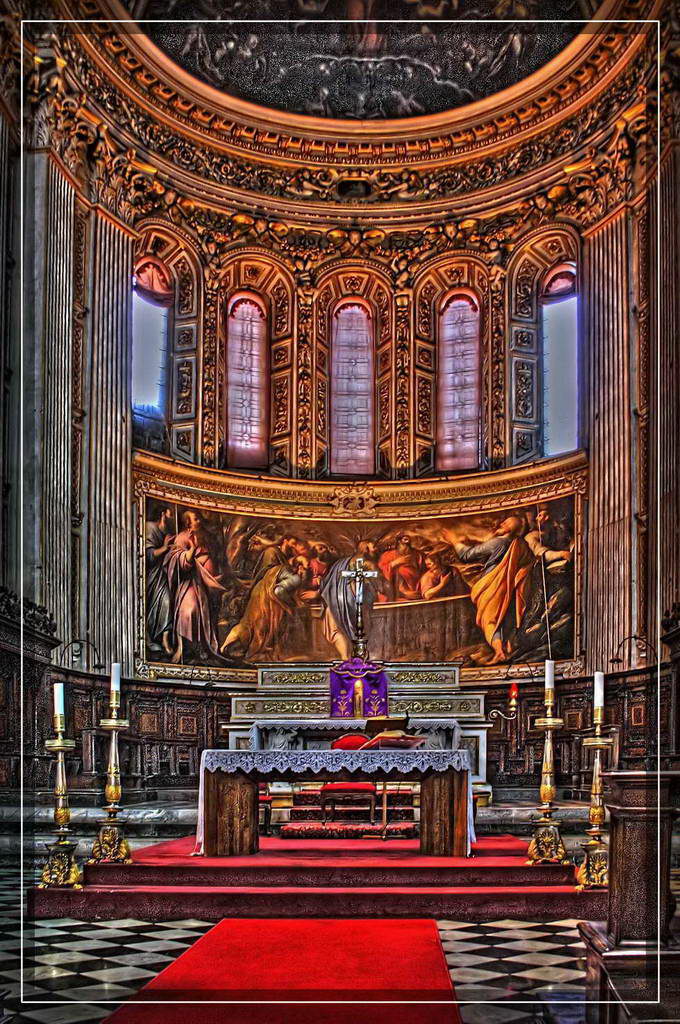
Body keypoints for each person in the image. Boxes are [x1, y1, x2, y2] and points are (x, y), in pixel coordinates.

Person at [454, 515, 534, 664]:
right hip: (512, 586)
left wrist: (455, 542)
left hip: (493, 583)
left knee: (489, 619)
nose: (502, 523)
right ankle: (507, 648)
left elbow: (467, 555)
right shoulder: (522, 545)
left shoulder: (499, 542)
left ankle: (499, 652)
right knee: (505, 618)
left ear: (512, 529)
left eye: (506, 523)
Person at [164, 510, 226, 663]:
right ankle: (184, 648)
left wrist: (212, 575)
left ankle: (200, 647)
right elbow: (177, 561)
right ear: (188, 523)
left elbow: (212, 557)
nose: (199, 521)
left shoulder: (204, 537)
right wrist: (191, 550)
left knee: (203, 611)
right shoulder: (182, 537)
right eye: (195, 519)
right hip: (189, 583)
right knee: (190, 609)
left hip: (204, 586)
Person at [319, 542, 383, 660]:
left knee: (335, 631)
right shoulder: (368, 564)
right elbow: (382, 586)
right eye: (374, 547)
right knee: (360, 632)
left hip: (334, 604)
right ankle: (356, 658)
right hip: (356, 606)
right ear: (365, 549)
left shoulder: (339, 564)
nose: (377, 549)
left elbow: (325, 584)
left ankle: (345, 658)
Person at [145, 505, 174, 656]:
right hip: (152, 576)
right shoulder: (149, 527)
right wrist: (165, 547)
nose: (172, 517)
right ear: (163, 514)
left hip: (164, 576)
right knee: (152, 606)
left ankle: (165, 640)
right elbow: (148, 555)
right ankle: (150, 638)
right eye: (170, 514)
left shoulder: (167, 533)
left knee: (168, 602)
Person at [378, 533, 424, 601]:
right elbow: (380, 573)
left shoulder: (418, 555)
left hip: (416, 591)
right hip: (397, 595)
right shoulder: (387, 555)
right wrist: (394, 564)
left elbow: (423, 573)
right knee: (399, 571)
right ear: (399, 541)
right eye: (404, 539)